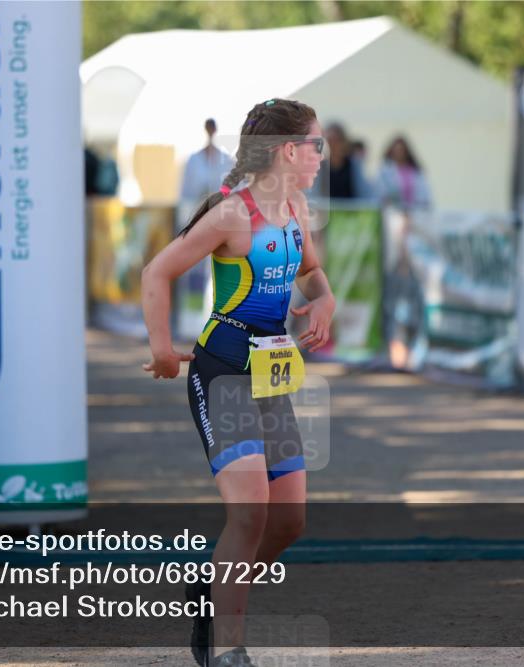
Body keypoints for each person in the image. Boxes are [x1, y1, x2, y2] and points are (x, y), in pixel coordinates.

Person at [141, 99, 335, 667]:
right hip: (222, 374)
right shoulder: (232, 215)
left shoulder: (296, 210)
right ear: (287, 151)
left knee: (288, 521)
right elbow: (158, 271)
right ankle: (229, 652)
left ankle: (212, 583)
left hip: (269, 381)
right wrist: (160, 348)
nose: (322, 157)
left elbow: (314, 276)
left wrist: (323, 302)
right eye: (315, 146)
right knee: (248, 514)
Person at [180, 118, 234, 202]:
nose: (210, 130)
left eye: (212, 128)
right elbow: (185, 192)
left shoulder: (226, 160)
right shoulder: (193, 159)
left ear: (215, 130)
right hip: (197, 208)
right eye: (209, 128)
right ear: (206, 129)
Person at [315, 122, 370, 200]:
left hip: (350, 211)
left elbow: (364, 194)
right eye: (329, 141)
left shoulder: (355, 166)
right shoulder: (318, 167)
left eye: (337, 140)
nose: (333, 145)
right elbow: (314, 197)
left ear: (344, 142)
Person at [377, 135, 432, 209]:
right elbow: (382, 192)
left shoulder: (415, 169)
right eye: (396, 150)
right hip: (395, 212)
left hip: (416, 211)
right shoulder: (385, 170)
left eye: (401, 150)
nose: (398, 153)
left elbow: (424, 193)